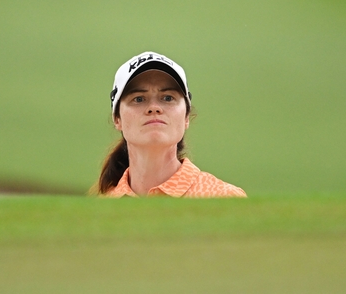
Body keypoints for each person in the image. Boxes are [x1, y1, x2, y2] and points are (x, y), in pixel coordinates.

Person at [96, 51, 246, 198]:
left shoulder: (222, 198)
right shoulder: (104, 208)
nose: (154, 107)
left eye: (168, 98)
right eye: (139, 99)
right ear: (117, 119)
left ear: (186, 117)